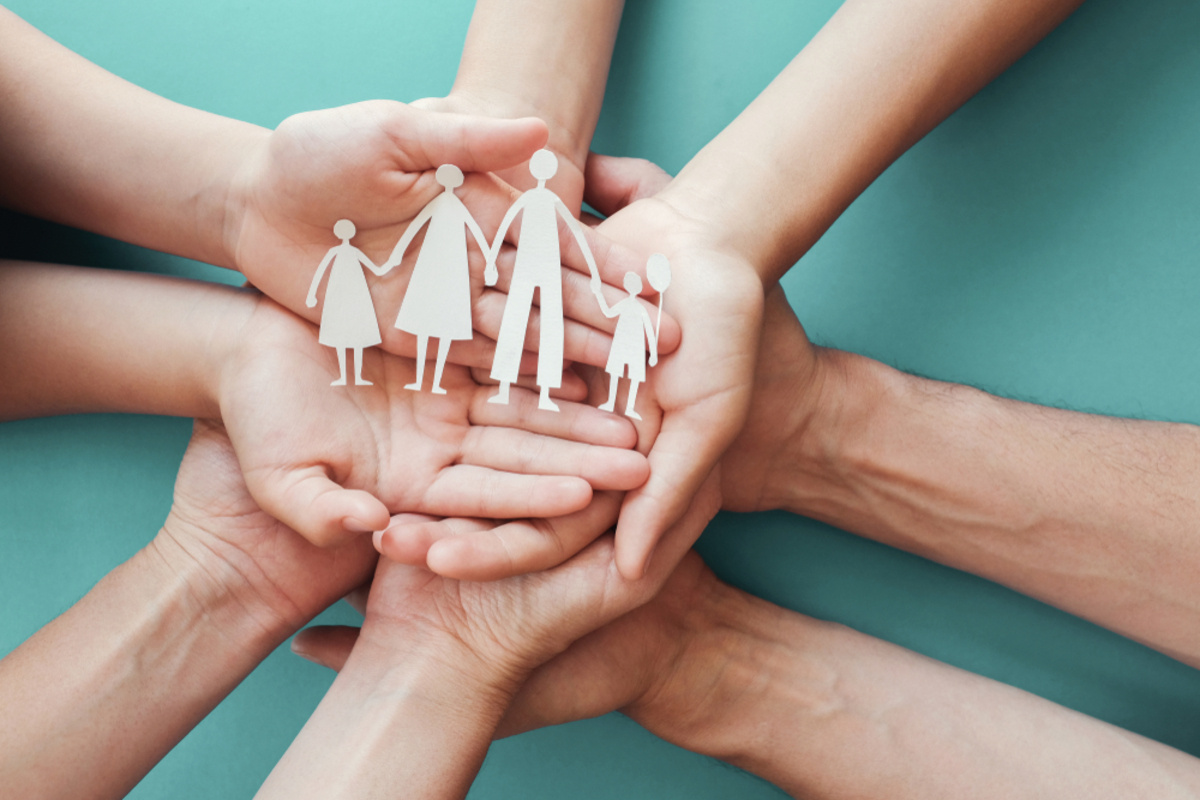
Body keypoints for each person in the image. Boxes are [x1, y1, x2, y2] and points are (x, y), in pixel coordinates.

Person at [485, 149, 604, 412]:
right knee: (518, 321)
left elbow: (574, 231)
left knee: (547, 325)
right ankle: (506, 387)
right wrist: (491, 261)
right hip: (527, 264)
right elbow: (504, 226)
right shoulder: (530, 199)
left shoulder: (550, 201)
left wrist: (595, 272)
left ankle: (544, 393)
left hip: (548, 267)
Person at [382, 164, 490, 394]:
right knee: (434, 325)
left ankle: (431, 380)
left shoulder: (450, 204)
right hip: (437, 265)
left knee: (438, 325)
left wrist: (491, 260)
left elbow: (416, 227)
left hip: (449, 267)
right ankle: (426, 380)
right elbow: (416, 227)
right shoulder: (444, 203)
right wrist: (397, 253)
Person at [306, 219, 385, 386]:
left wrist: (388, 265)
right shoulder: (337, 251)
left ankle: (357, 377)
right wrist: (311, 294)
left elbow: (375, 269)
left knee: (357, 336)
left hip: (356, 296)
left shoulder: (351, 251)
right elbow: (321, 270)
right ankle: (345, 377)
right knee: (342, 336)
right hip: (340, 296)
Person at [592, 270, 659, 420]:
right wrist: (598, 294)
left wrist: (653, 353)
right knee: (615, 372)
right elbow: (608, 312)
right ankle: (610, 402)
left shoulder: (641, 308)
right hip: (621, 342)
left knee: (634, 376)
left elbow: (649, 329)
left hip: (635, 345)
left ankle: (630, 407)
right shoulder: (627, 304)